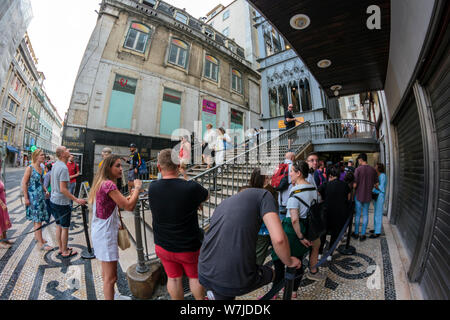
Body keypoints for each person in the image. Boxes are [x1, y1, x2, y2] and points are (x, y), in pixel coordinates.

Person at [198, 187, 301, 300]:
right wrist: (289, 261)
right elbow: (279, 239)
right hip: (234, 279)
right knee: (272, 273)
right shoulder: (265, 196)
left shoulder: (225, 203)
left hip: (204, 270)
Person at [148, 149, 208, 300]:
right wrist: (186, 177)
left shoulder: (152, 187)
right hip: (187, 248)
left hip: (162, 245)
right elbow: (206, 195)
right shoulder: (190, 188)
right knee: (194, 278)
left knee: (173, 278)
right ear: (178, 165)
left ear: (159, 167)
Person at [88, 154, 142, 300]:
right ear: (108, 168)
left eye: (121, 165)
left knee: (107, 274)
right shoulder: (109, 185)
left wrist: (130, 197)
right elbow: (129, 206)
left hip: (101, 232)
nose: (121, 169)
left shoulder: (103, 183)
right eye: (117, 166)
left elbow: (119, 203)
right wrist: (137, 188)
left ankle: (112, 295)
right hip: (105, 235)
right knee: (110, 278)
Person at [50, 146, 87, 258]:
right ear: (62, 154)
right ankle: (65, 251)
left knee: (58, 226)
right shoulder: (64, 168)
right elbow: (63, 189)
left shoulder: (56, 165)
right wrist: (77, 200)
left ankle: (61, 248)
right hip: (62, 202)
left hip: (53, 200)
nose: (69, 151)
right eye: (66, 150)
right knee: (65, 227)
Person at [245, 168, 278, 266]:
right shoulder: (267, 192)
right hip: (263, 230)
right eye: (267, 177)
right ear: (262, 179)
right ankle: (253, 277)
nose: (269, 178)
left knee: (253, 254)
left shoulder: (247, 191)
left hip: (252, 229)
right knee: (258, 258)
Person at [318, 166, 351, 261]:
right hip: (340, 214)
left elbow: (318, 193)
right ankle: (329, 255)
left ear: (331, 176)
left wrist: (324, 198)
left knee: (323, 234)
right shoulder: (345, 185)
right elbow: (348, 198)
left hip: (326, 212)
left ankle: (319, 253)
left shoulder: (326, 184)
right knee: (335, 234)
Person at [22, 149, 53, 251]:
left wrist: (45, 190)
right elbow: (24, 183)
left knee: (38, 219)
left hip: (40, 196)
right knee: (38, 220)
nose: (43, 157)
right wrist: (26, 198)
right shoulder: (30, 168)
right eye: (41, 155)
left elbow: (40, 181)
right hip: (33, 197)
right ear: (36, 156)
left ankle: (38, 237)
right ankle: (40, 244)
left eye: (43, 155)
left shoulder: (41, 167)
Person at [304, 152, 326, 280]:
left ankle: (312, 269)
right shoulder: (307, 177)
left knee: (314, 244)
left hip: (310, 216)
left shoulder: (312, 175)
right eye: (311, 160)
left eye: (316, 160)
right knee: (314, 244)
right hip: (307, 217)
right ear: (306, 162)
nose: (315, 163)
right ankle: (312, 271)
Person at [351, 153, 378, 241]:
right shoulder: (373, 170)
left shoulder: (358, 170)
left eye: (359, 160)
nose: (358, 161)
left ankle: (356, 233)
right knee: (366, 214)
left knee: (358, 215)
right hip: (368, 196)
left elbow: (354, 185)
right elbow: (376, 184)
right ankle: (363, 235)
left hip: (358, 195)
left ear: (361, 160)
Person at [370, 163, 387, 238]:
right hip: (376, 195)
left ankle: (377, 232)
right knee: (375, 213)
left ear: (379, 168)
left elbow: (381, 187)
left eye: (375, 166)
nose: (374, 167)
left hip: (380, 196)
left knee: (378, 214)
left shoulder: (382, 175)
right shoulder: (377, 175)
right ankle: (375, 229)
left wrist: (375, 185)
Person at [0, 176, 12, 249]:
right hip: (0, 204)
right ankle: (1, 242)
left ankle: (5, 239)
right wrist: (1, 204)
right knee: (0, 221)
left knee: (4, 221)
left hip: (2, 201)